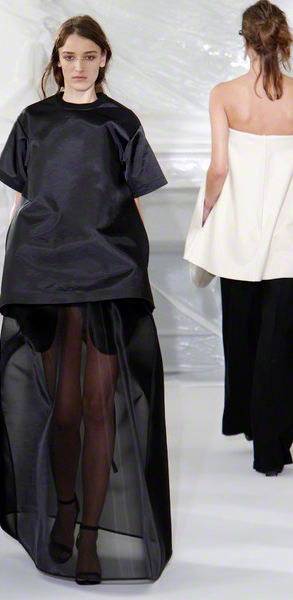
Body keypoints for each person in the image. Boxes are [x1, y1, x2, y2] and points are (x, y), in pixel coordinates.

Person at [0, 15, 172, 585]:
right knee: (65, 410)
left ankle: (89, 535)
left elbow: (135, 203)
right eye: (69, 56)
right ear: (56, 61)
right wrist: (14, 271)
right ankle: (65, 511)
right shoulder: (34, 121)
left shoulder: (121, 122)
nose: (78, 66)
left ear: (103, 59)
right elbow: (22, 200)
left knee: (99, 408)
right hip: (47, 272)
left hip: (108, 272)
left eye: (88, 56)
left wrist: (138, 274)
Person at [184, 0, 293, 476]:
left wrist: (207, 214)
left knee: (243, 333)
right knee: (281, 341)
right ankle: (274, 447)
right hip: (288, 237)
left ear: (245, 41)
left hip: (237, 236)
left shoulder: (225, 94)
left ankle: (252, 427)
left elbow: (219, 168)